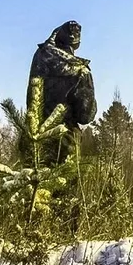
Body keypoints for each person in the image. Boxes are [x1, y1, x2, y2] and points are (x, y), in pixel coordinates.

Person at [27, 20, 97, 165]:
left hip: (34, 137)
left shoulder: (40, 58)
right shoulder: (80, 71)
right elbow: (85, 115)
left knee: (30, 183)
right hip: (65, 141)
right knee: (64, 185)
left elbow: (32, 97)